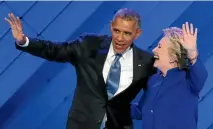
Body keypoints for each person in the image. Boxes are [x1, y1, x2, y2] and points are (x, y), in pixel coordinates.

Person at [5, 8, 155, 129]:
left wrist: (134, 110)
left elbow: (155, 93)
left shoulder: (146, 62)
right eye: (117, 30)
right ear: (111, 26)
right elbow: (55, 50)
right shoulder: (89, 44)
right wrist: (24, 41)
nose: (120, 38)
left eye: (127, 33)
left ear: (137, 34)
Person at [131, 22, 208, 129]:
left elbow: (201, 75)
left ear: (173, 57)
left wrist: (192, 52)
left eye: (159, 47)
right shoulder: (152, 80)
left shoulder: (188, 79)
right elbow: (140, 110)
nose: (154, 50)